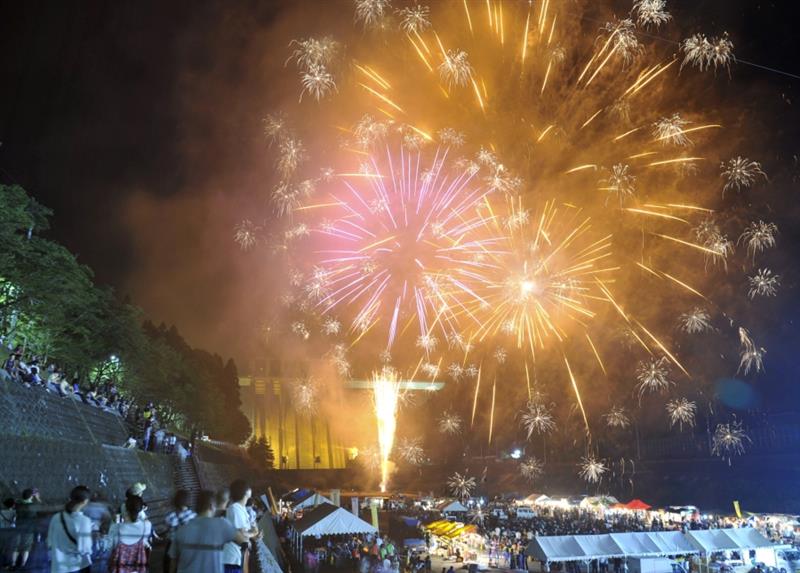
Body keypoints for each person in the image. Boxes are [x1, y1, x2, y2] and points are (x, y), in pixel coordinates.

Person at [169, 490, 248, 573]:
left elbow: (173, 563)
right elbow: (243, 541)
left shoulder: (181, 530)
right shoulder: (221, 525)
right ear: (211, 506)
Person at [47, 485, 93, 573]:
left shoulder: (56, 517)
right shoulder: (84, 521)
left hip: (57, 566)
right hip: (76, 566)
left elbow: (49, 541)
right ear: (85, 501)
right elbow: (85, 548)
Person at [223, 480, 259, 573]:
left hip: (238, 558)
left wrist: (254, 536)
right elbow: (240, 534)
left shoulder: (241, 509)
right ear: (245, 492)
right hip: (231, 559)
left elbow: (244, 532)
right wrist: (253, 533)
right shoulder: (235, 509)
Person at [107, 495, 151, 572]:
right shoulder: (146, 526)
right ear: (141, 509)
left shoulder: (115, 528)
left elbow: (109, 548)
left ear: (125, 509)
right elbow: (144, 542)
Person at [163, 490, 196, 573]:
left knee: (169, 568)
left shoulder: (169, 516)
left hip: (172, 545)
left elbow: (168, 530)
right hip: (187, 546)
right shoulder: (194, 516)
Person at [15, 487, 40, 570]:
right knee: (26, 548)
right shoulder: (33, 506)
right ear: (31, 496)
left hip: (18, 527)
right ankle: (23, 565)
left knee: (16, 547)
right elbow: (41, 507)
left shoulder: (18, 505)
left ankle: (13, 564)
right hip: (28, 529)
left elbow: (20, 500)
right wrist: (38, 498)